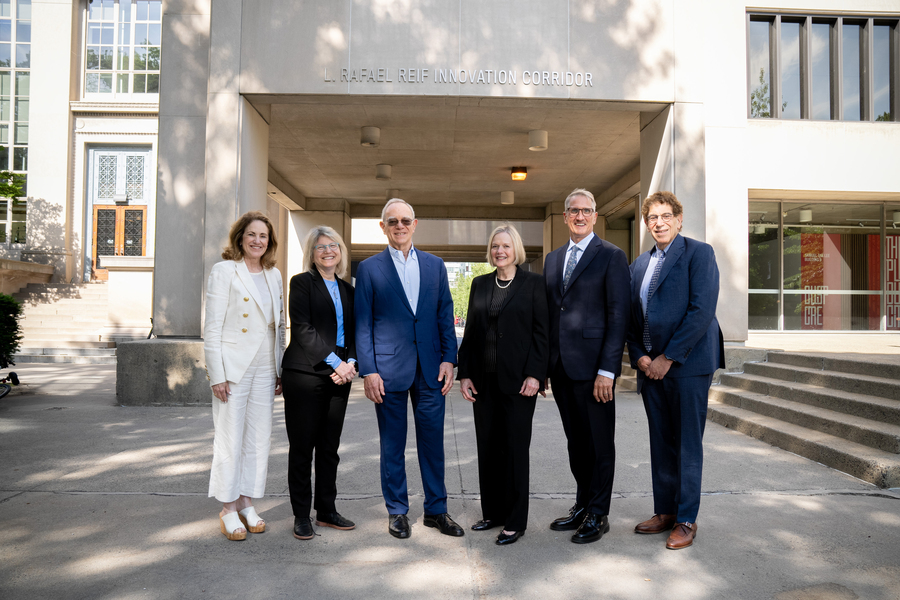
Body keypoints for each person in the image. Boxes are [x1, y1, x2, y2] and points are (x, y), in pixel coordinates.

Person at [355, 198, 462, 540]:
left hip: (431, 370)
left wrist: (449, 359)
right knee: (392, 445)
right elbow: (363, 324)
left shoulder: (435, 265)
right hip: (387, 372)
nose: (399, 226)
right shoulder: (369, 269)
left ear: (415, 225)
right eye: (392, 221)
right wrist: (369, 371)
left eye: (405, 220)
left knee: (433, 444)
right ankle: (397, 511)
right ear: (383, 227)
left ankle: (436, 510)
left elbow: (445, 315)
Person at [626, 191, 724, 550]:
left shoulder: (699, 253)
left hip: (687, 365)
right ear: (646, 223)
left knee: (686, 444)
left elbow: (701, 310)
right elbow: (631, 317)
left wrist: (667, 358)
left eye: (666, 216)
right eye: (653, 217)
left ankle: (686, 519)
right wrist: (640, 356)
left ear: (679, 220)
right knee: (661, 442)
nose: (660, 223)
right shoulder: (638, 265)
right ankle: (666, 511)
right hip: (650, 368)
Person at [544, 188, 631, 544]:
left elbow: (618, 316)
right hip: (562, 368)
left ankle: (599, 512)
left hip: (595, 370)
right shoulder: (553, 259)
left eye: (586, 211)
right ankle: (582, 504)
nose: (580, 216)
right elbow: (551, 315)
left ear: (595, 216)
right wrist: (544, 367)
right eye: (574, 210)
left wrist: (608, 371)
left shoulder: (611, 256)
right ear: (565, 216)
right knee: (576, 443)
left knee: (599, 443)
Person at [458, 224, 549, 546]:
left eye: (506, 246)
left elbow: (542, 333)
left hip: (520, 382)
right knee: (488, 448)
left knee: (514, 451)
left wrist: (535, 375)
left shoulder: (534, 284)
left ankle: (515, 521)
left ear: (516, 250)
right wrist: (465, 374)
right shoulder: (480, 284)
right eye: (495, 246)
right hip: (484, 381)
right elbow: (471, 332)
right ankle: (493, 513)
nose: (500, 251)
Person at [204, 211, 285, 541]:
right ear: (240, 237)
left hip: (266, 365)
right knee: (230, 437)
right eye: (251, 234)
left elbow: (279, 326)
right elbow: (212, 327)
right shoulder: (224, 270)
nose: (257, 241)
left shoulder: (274, 274)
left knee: (258, 437)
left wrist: (280, 368)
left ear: (269, 242)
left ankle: (247, 502)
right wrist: (217, 374)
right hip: (234, 367)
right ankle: (228, 508)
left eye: (263, 236)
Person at [281, 226, 357, 541]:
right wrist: (337, 363)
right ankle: (301, 515)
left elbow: (356, 332)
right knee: (303, 447)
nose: (328, 251)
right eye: (320, 247)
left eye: (333, 245)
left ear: (341, 251)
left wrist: (351, 364)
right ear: (312, 254)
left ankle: (326, 510)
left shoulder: (349, 289)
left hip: (341, 376)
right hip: (305, 374)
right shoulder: (301, 283)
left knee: (329, 447)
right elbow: (303, 328)